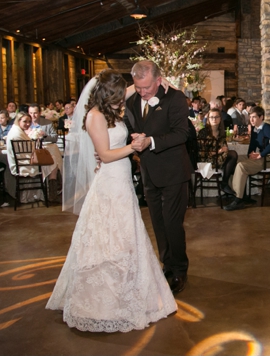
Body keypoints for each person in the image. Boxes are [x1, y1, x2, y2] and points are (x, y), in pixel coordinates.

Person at [46, 69, 177, 332]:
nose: (122, 100)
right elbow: (105, 155)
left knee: (127, 237)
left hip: (123, 181)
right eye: (118, 96)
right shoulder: (94, 116)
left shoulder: (109, 107)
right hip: (109, 182)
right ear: (107, 95)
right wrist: (134, 146)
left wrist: (164, 82)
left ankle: (129, 291)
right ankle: (103, 302)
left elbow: (137, 88)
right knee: (109, 239)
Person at [124, 60, 192, 295]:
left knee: (173, 223)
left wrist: (150, 142)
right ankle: (167, 265)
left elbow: (181, 133)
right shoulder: (132, 101)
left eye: (147, 88)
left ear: (159, 80)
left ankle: (180, 271)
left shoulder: (175, 98)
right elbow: (127, 127)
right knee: (158, 223)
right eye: (138, 88)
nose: (142, 93)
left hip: (173, 171)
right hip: (148, 172)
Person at [224, 106, 270, 211]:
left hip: (264, 160)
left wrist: (261, 154)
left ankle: (238, 199)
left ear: (261, 117)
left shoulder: (266, 128)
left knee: (241, 166)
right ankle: (239, 193)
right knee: (233, 158)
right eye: (250, 117)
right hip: (256, 157)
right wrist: (250, 154)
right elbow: (253, 144)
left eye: (254, 117)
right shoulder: (255, 129)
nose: (251, 120)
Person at [6, 112, 61, 199]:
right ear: (18, 121)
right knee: (53, 161)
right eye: (25, 121)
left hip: (23, 161)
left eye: (29, 121)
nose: (28, 124)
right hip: (24, 165)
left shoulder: (17, 130)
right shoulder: (17, 134)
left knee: (52, 159)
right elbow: (29, 152)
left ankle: (54, 190)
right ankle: (52, 193)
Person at [198, 108, 239, 197]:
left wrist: (222, 151)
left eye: (216, 117)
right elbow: (202, 153)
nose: (214, 119)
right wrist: (219, 151)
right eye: (211, 117)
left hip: (219, 159)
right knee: (233, 156)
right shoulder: (203, 132)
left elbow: (225, 149)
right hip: (206, 161)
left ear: (220, 118)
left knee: (234, 162)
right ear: (208, 119)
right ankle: (226, 185)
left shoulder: (221, 133)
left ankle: (234, 190)